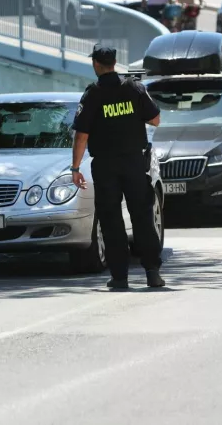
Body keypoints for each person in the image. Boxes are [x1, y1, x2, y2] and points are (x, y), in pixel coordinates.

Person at [70, 46, 164, 289]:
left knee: (111, 221)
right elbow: (155, 119)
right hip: (134, 163)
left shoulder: (93, 94)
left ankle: (120, 277)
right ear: (114, 62)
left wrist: (75, 168)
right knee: (142, 217)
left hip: (106, 166)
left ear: (96, 65)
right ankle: (152, 272)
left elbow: (81, 135)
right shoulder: (134, 88)